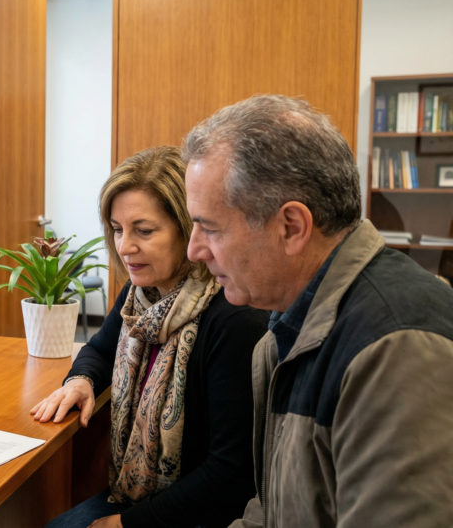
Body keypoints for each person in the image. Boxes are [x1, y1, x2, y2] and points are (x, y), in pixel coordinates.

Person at [182, 95, 453, 528]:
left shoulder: (396, 348)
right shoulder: (289, 323)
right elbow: (273, 509)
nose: (194, 250)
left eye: (210, 229)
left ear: (291, 227)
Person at [33, 147, 269, 528]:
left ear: (188, 228)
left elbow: (231, 474)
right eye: (116, 229)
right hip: (138, 496)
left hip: (201, 515)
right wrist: (81, 379)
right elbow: (99, 349)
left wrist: (127, 525)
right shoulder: (142, 295)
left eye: (144, 231)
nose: (125, 247)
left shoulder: (234, 318)